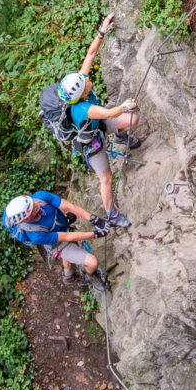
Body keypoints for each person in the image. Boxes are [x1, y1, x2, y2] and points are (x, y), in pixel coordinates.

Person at [57, 12, 140, 228]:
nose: (87, 80)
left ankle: (121, 137)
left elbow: (90, 54)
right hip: (91, 144)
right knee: (107, 178)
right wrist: (124, 106)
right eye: (85, 83)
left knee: (132, 120)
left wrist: (101, 32)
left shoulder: (80, 85)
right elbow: (108, 113)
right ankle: (111, 214)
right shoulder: (84, 109)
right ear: (82, 94)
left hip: (99, 126)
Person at [2, 191, 110, 290]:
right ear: (26, 219)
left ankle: (69, 276)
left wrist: (94, 220)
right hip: (57, 245)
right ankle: (91, 276)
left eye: (33, 203)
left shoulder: (39, 197)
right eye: (33, 209)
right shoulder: (35, 235)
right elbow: (67, 237)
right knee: (92, 262)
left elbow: (68, 206)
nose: (36, 205)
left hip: (63, 227)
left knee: (70, 253)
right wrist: (94, 234)